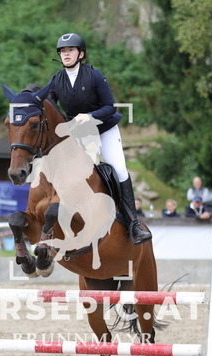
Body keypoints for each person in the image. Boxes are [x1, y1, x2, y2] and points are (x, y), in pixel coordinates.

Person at [43, 32, 151, 245]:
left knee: (119, 170)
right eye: (63, 51)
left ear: (81, 54)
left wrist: (90, 116)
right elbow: (48, 104)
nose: (66, 54)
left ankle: (133, 224)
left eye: (70, 50)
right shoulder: (56, 80)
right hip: (80, 134)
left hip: (104, 128)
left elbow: (110, 107)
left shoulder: (94, 75)